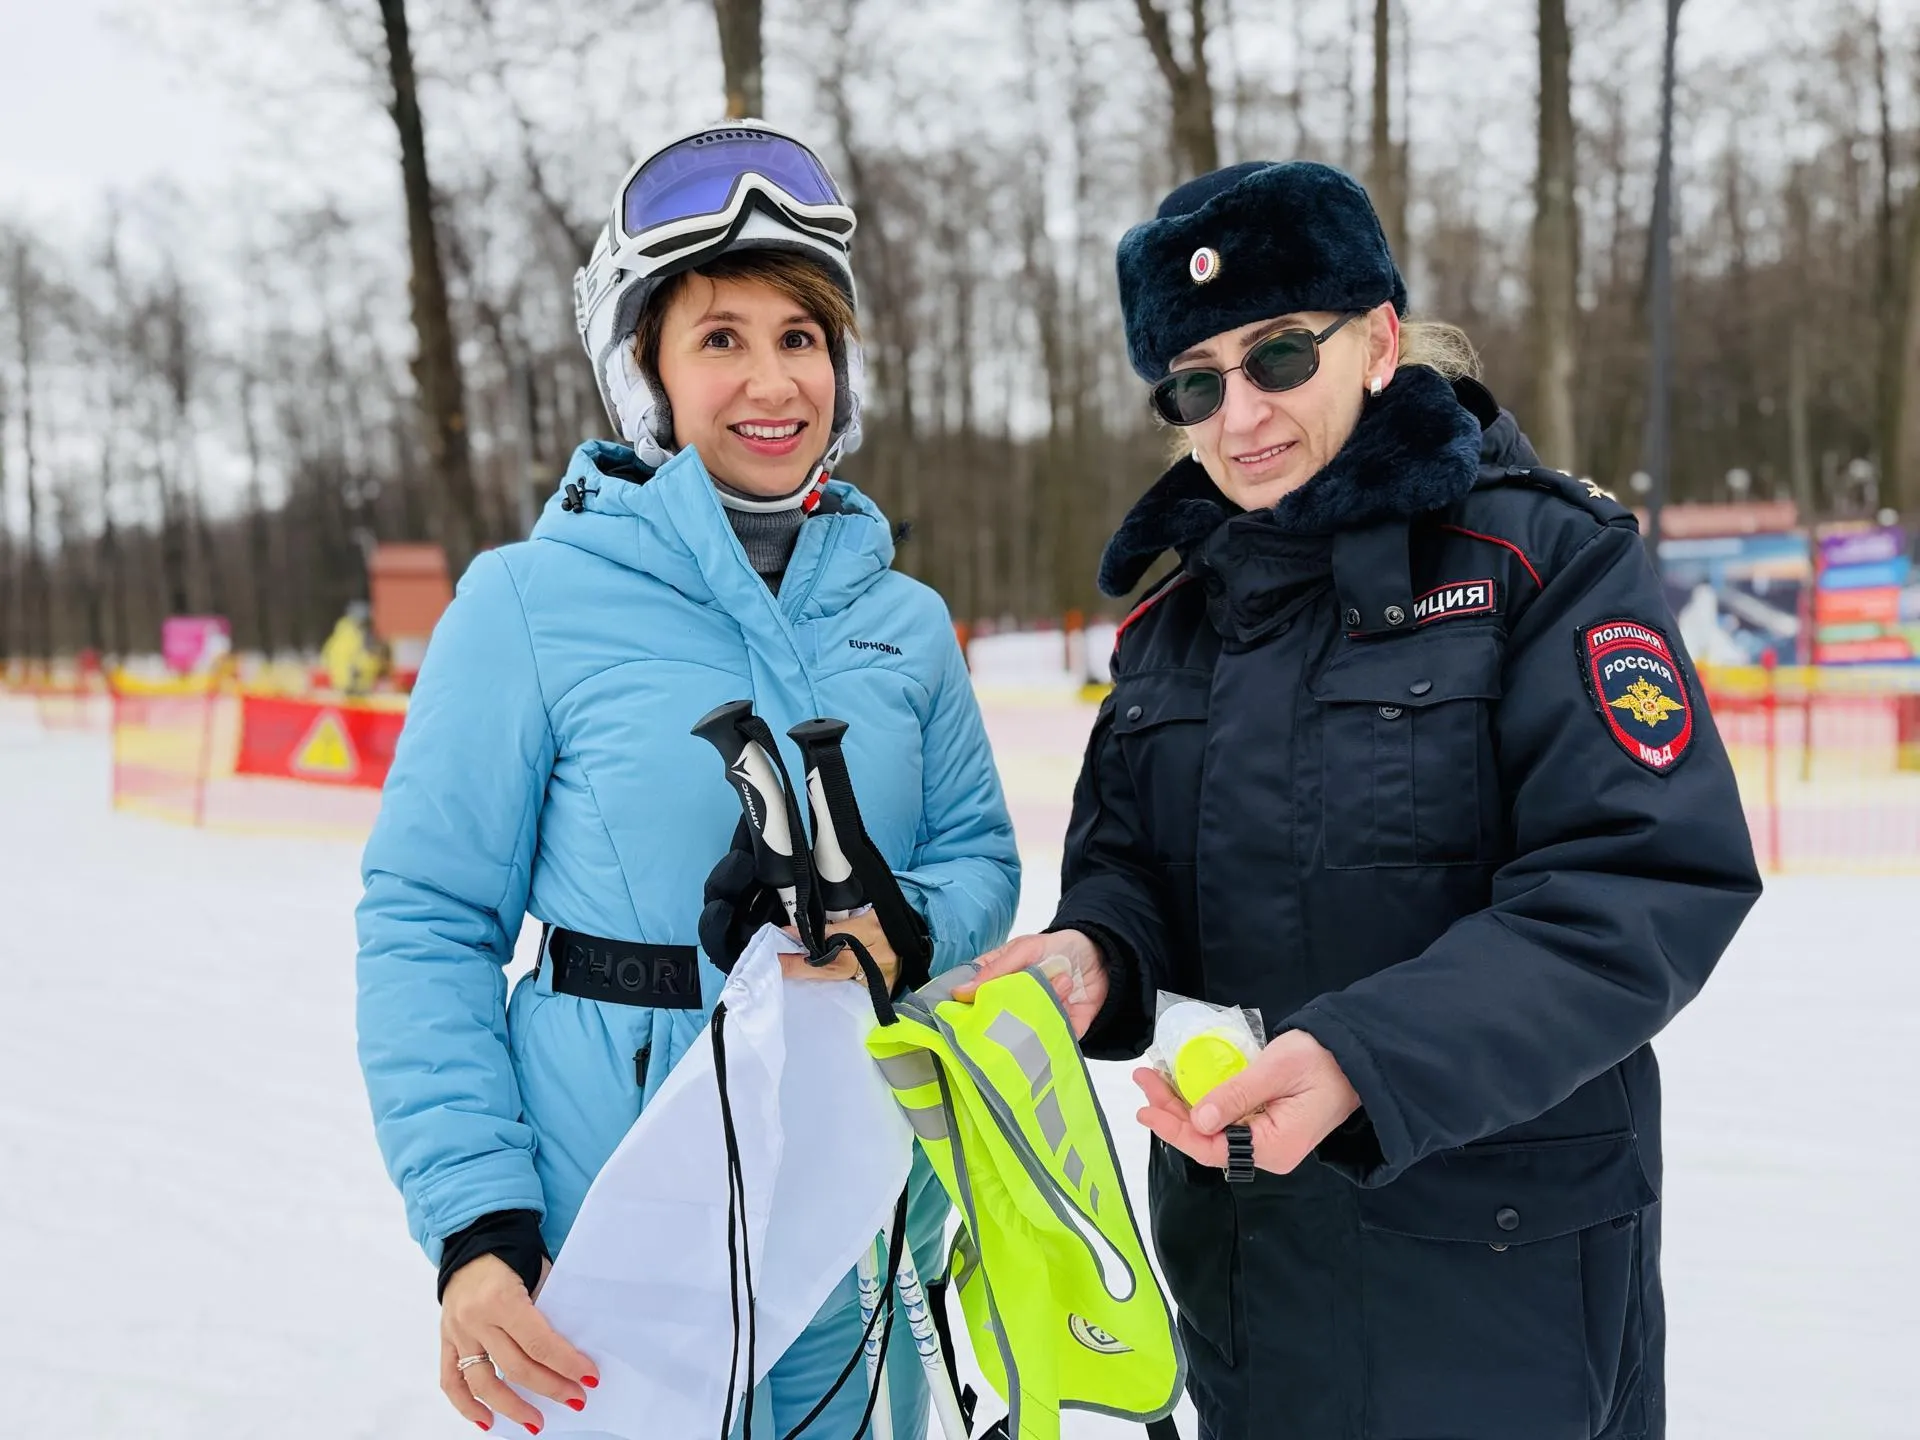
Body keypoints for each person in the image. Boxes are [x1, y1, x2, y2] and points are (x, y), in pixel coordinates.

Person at [959, 160, 1761, 1439]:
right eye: (1198, 383)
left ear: (1380, 338)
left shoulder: (1542, 562)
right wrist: (1091, 959)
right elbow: (1132, 879)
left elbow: (1640, 882)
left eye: (1279, 356)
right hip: (1251, 1288)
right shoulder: (1171, 628)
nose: (1241, 415)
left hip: (1507, 1290)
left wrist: (1361, 1061)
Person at [356, 121, 1019, 1439]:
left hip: (851, 1210)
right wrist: (479, 1225)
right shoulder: (530, 603)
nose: (771, 380)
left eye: (800, 336)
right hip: (608, 1236)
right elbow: (426, 924)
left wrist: (910, 921)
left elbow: (982, 859)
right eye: (720, 337)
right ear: (647, 374)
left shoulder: (906, 618)